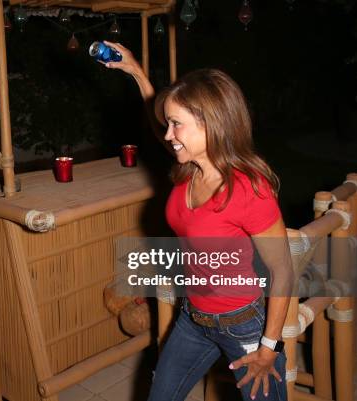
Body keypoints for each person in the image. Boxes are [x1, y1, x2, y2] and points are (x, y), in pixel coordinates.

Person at [103, 42, 293, 401]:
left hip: (243, 325)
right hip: (194, 319)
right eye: (169, 123)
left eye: (177, 125)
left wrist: (269, 347)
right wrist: (136, 72)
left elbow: (282, 269)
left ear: (212, 126)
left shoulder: (249, 189)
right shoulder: (189, 167)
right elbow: (158, 121)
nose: (168, 134)